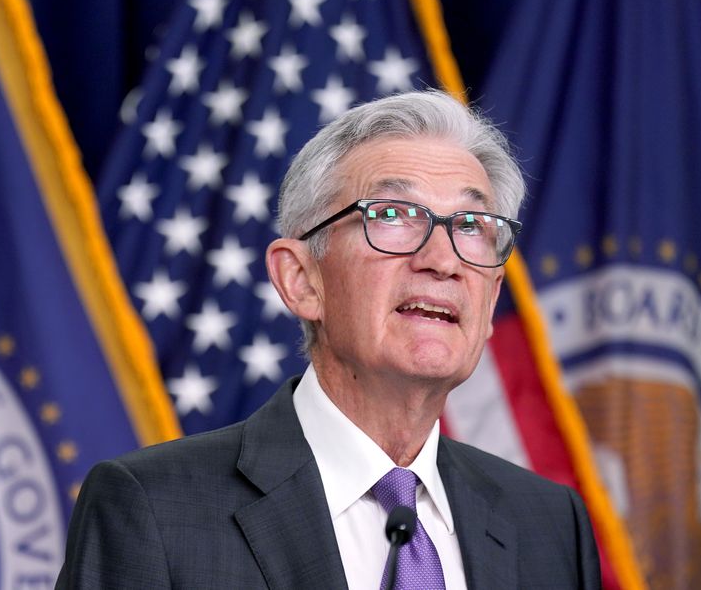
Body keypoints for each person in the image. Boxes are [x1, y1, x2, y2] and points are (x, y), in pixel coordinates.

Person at [57, 91, 602, 589]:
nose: (443, 261)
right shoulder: (153, 509)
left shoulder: (549, 524)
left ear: (490, 299)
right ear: (301, 280)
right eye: (393, 215)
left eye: (471, 225)